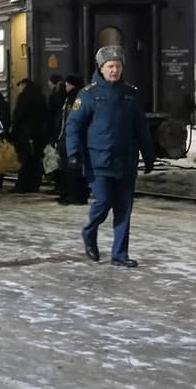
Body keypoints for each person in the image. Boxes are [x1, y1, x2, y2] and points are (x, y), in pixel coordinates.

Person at [66, 46, 155, 268]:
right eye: (110, 66)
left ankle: (119, 255)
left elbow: (141, 127)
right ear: (101, 68)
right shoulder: (88, 94)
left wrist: (149, 154)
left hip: (125, 160)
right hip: (98, 160)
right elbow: (74, 125)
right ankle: (89, 232)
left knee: (124, 208)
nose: (114, 70)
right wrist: (73, 153)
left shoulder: (130, 93)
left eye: (118, 66)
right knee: (104, 202)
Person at [10, 78, 47, 193]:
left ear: (24, 85)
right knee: (35, 160)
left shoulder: (24, 96)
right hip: (39, 134)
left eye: (20, 85)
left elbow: (18, 116)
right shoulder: (41, 96)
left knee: (25, 161)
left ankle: (22, 186)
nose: (19, 88)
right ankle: (34, 185)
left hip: (25, 134)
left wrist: (12, 132)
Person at [56, 74, 88, 205]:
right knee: (74, 168)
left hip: (71, 139)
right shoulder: (77, 96)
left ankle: (75, 195)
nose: (65, 87)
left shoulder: (74, 98)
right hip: (73, 138)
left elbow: (68, 120)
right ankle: (76, 195)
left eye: (67, 84)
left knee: (71, 169)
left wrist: (62, 138)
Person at [47, 74, 67, 146]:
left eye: (49, 84)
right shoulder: (66, 93)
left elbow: (51, 113)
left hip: (56, 124)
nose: (49, 86)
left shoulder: (54, 96)